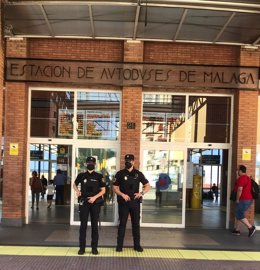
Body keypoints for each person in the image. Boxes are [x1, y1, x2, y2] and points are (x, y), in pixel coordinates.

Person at [113, 154, 150, 252]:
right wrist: (122, 194)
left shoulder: (138, 174)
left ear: (133, 162)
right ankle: (119, 245)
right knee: (122, 224)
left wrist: (141, 193)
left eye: (129, 160)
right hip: (123, 202)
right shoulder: (120, 174)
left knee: (136, 224)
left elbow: (147, 185)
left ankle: (137, 245)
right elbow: (115, 188)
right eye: (126, 160)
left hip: (135, 203)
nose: (127, 162)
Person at [73, 156, 106, 255]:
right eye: (88, 163)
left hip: (95, 203)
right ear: (86, 164)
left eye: (92, 163)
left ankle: (94, 248)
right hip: (84, 202)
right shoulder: (81, 175)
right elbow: (74, 184)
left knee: (94, 226)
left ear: (95, 164)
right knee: (83, 226)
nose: (90, 164)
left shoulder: (99, 176)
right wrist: (77, 191)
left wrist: (95, 197)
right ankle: (82, 248)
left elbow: (103, 190)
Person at [231, 165, 256, 237]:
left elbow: (240, 189)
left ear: (241, 171)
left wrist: (237, 199)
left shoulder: (242, 178)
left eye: (238, 170)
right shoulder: (247, 178)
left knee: (239, 214)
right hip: (248, 199)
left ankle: (250, 227)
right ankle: (237, 230)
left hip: (243, 199)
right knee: (239, 213)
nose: (237, 171)